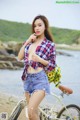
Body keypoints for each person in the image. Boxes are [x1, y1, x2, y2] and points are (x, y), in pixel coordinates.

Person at [18, 15, 56, 120]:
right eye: (35, 26)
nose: (37, 28)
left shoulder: (49, 45)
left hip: (40, 80)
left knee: (31, 110)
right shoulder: (30, 42)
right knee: (32, 115)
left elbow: (52, 65)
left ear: (45, 27)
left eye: (40, 25)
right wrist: (28, 41)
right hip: (27, 80)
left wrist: (39, 59)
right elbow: (19, 57)